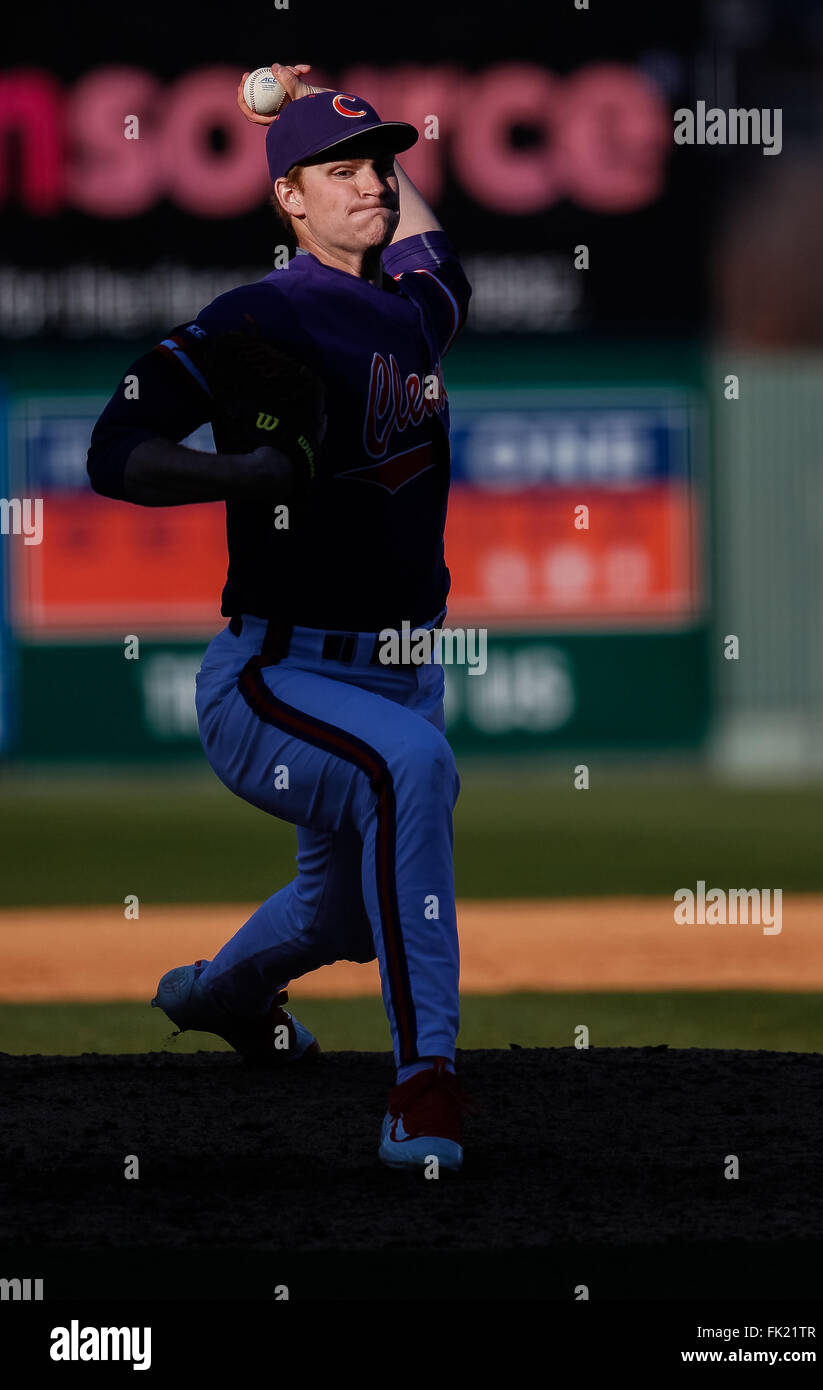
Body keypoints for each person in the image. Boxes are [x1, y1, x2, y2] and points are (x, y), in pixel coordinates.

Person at [86, 62, 473, 1172]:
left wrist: (329, 97)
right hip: (274, 681)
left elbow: (436, 247)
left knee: (344, 920)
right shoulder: (256, 314)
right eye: (339, 171)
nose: (373, 186)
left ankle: (218, 995)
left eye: (382, 167)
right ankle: (424, 1088)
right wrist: (244, 474)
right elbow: (114, 450)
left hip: (402, 668)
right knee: (411, 773)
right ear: (285, 199)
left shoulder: (416, 315)